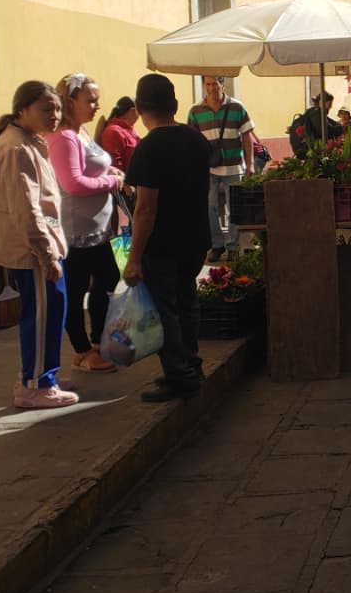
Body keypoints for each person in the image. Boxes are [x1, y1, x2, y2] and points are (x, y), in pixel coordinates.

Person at [124, 74, 212, 403]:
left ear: (140, 107)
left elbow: (145, 209)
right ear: (174, 105)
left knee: (166, 309)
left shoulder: (148, 148)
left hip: (162, 243)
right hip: (195, 237)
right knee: (187, 302)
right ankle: (192, 364)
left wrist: (134, 258)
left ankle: (179, 374)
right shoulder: (196, 140)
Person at [0, 82, 78, 409]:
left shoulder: (28, 142)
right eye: (46, 108)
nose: (54, 115)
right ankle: (35, 384)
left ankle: (41, 374)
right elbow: (28, 211)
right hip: (34, 252)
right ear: (22, 109)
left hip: (41, 248)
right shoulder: (17, 149)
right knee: (42, 315)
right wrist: (46, 254)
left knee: (52, 312)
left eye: (57, 108)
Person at [45, 73, 124, 374]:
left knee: (107, 280)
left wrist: (112, 170)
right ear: (70, 101)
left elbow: (94, 165)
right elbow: (73, 183)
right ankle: (81, 351)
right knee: (76, 292)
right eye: (90, 100)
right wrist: (112, 181)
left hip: (97, 230)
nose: (96, 105)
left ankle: (95, 341)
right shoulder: (64, 137)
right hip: (76, 231)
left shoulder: (81, 132)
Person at [187, 76, 254, 262]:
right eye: (207, 84)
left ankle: (233, 245)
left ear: (222, 85)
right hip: (208, 169)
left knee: (235, 208)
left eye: (214, 84)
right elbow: (192, 140)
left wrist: (250, 165)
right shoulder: (195, 111)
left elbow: (247, 136)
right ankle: (217, 245)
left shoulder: (237, 107)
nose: (211, 88)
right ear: (203, 86)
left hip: (233, 166)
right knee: (210, 207)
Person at [95, 95, 139, 172]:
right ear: (132, 111)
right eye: (139, 111)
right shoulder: (114, 132)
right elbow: (115, 167)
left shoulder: (130, 131)